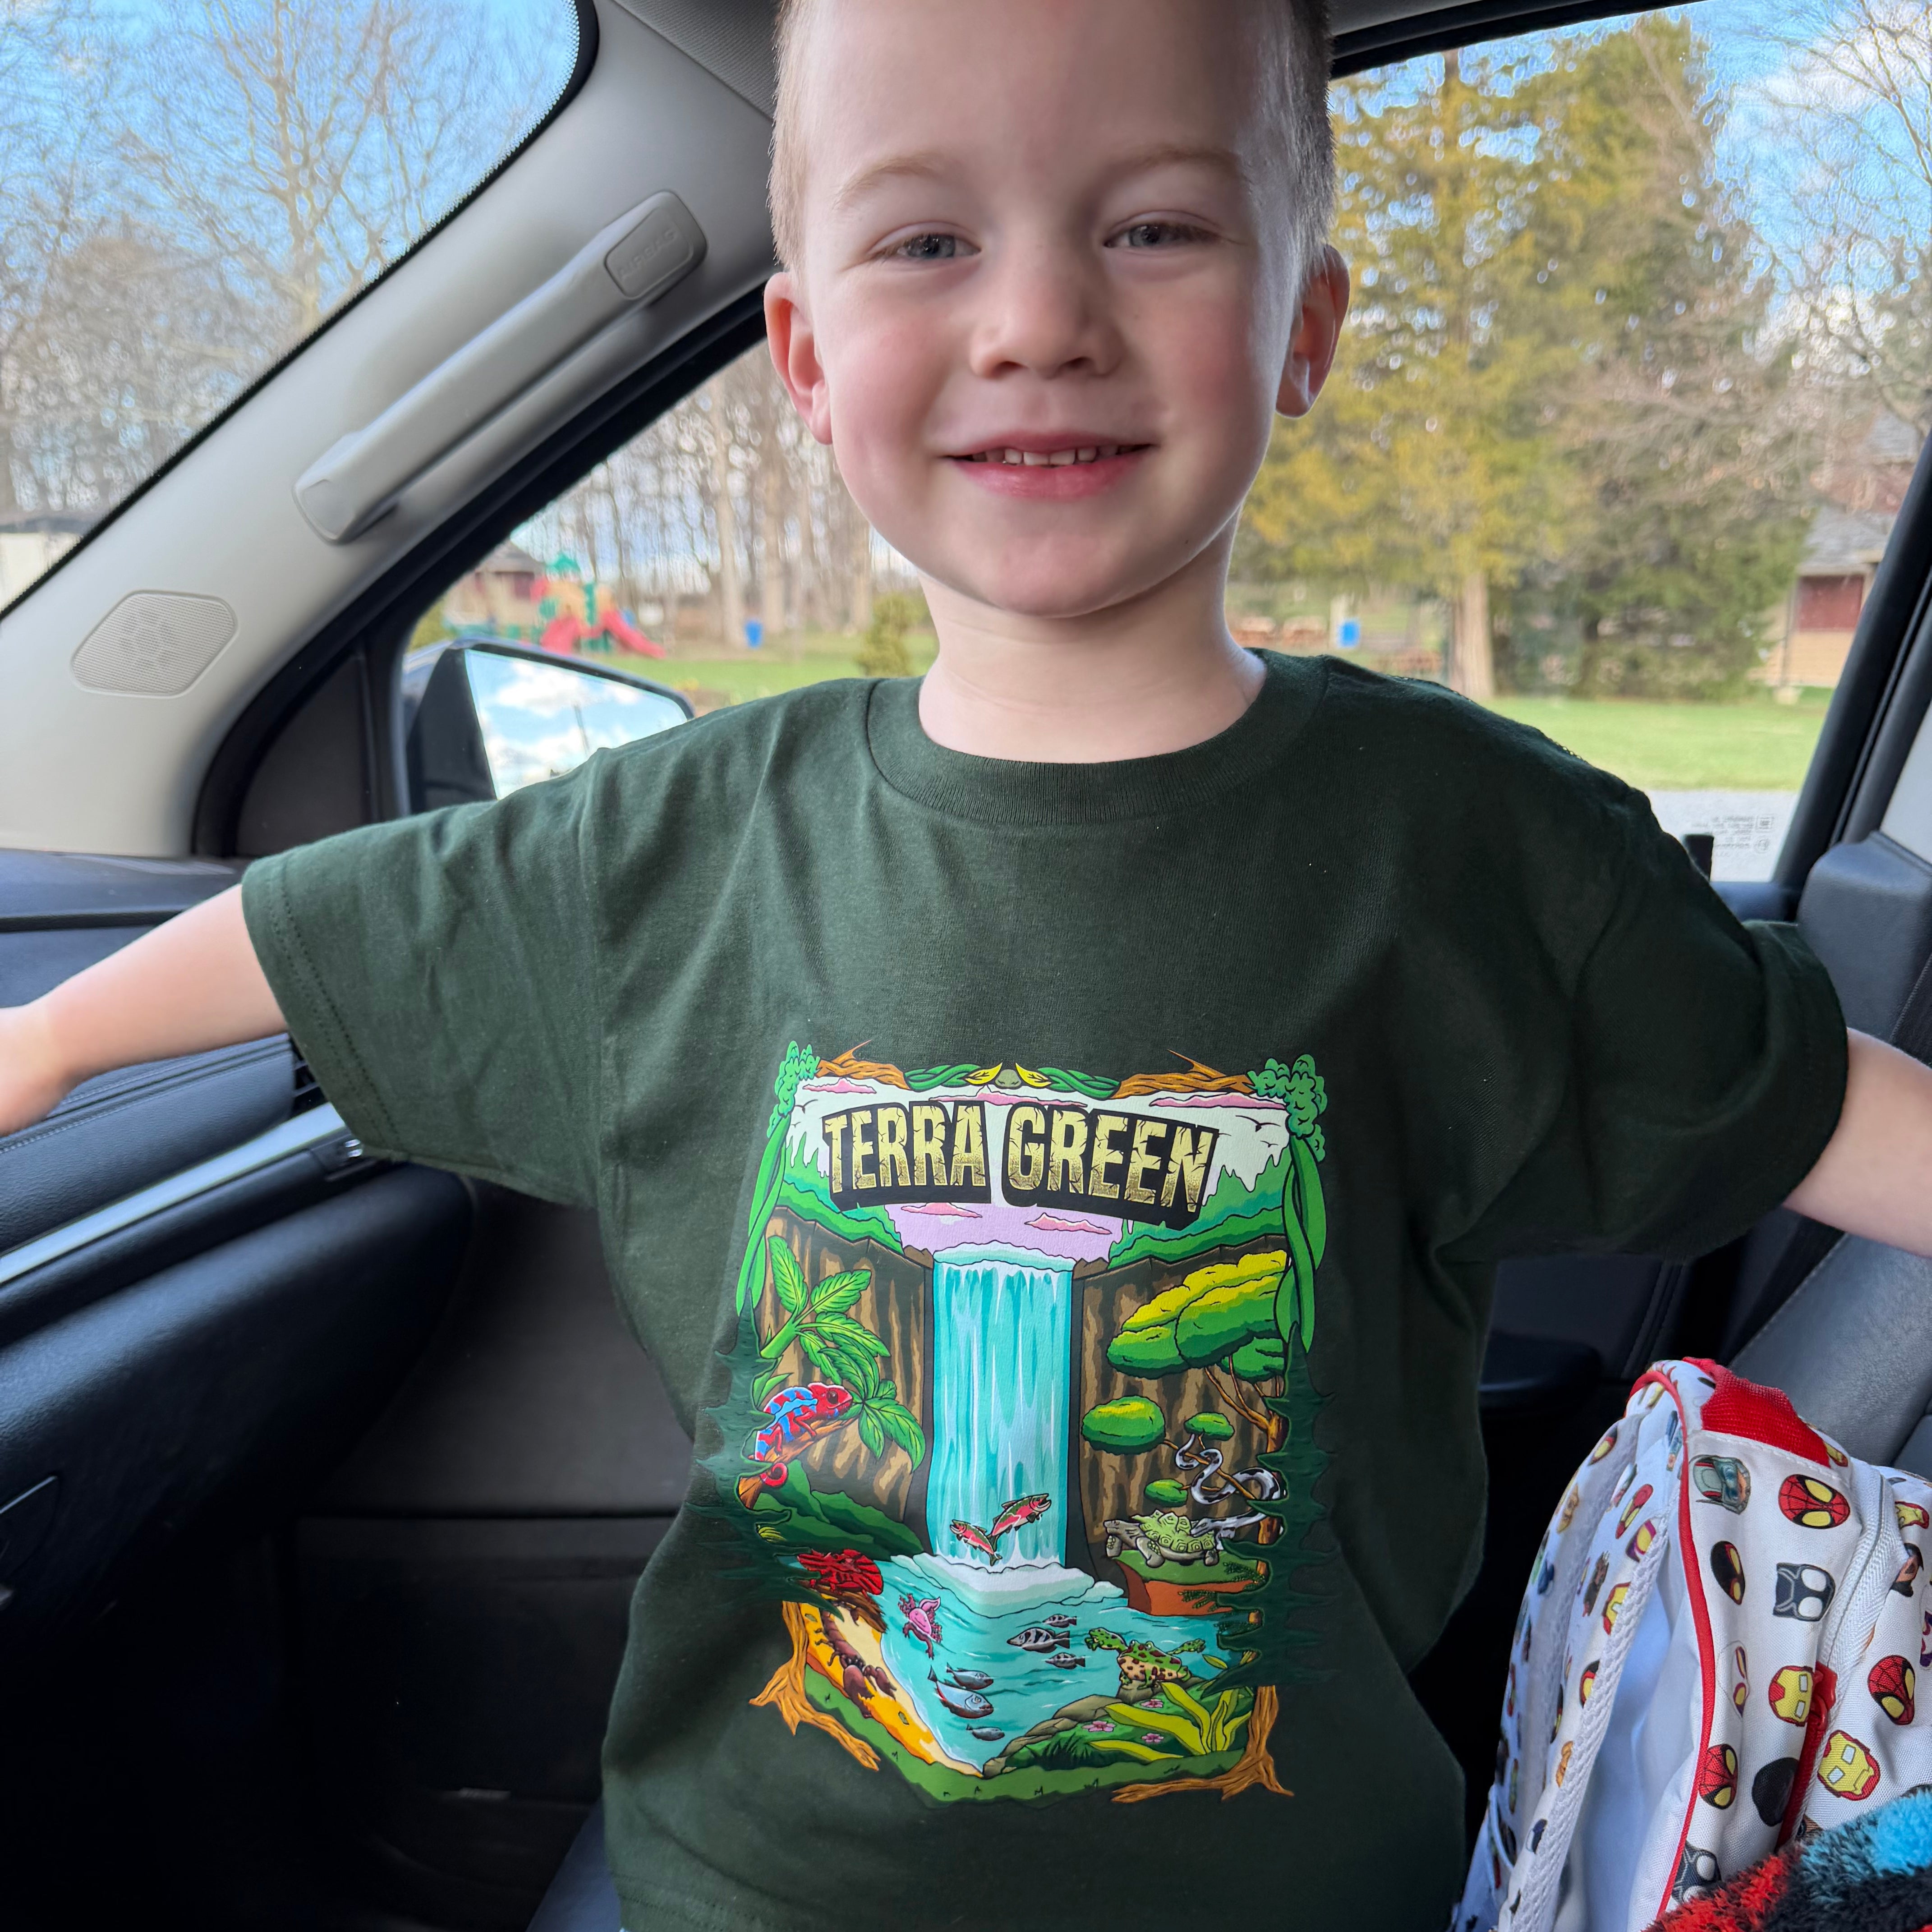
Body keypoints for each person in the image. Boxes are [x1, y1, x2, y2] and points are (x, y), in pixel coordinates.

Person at [3, 1, 1931, 1923]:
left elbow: (1801, 1097)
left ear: (1310, 323)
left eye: (1156, 227)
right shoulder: (678, 839)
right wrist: (54, 1041)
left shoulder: (1466, 843)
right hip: (757, 1885)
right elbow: (324, 924)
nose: (1038, 321)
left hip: (1286, 1886)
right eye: (930, 240)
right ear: (808, 357)